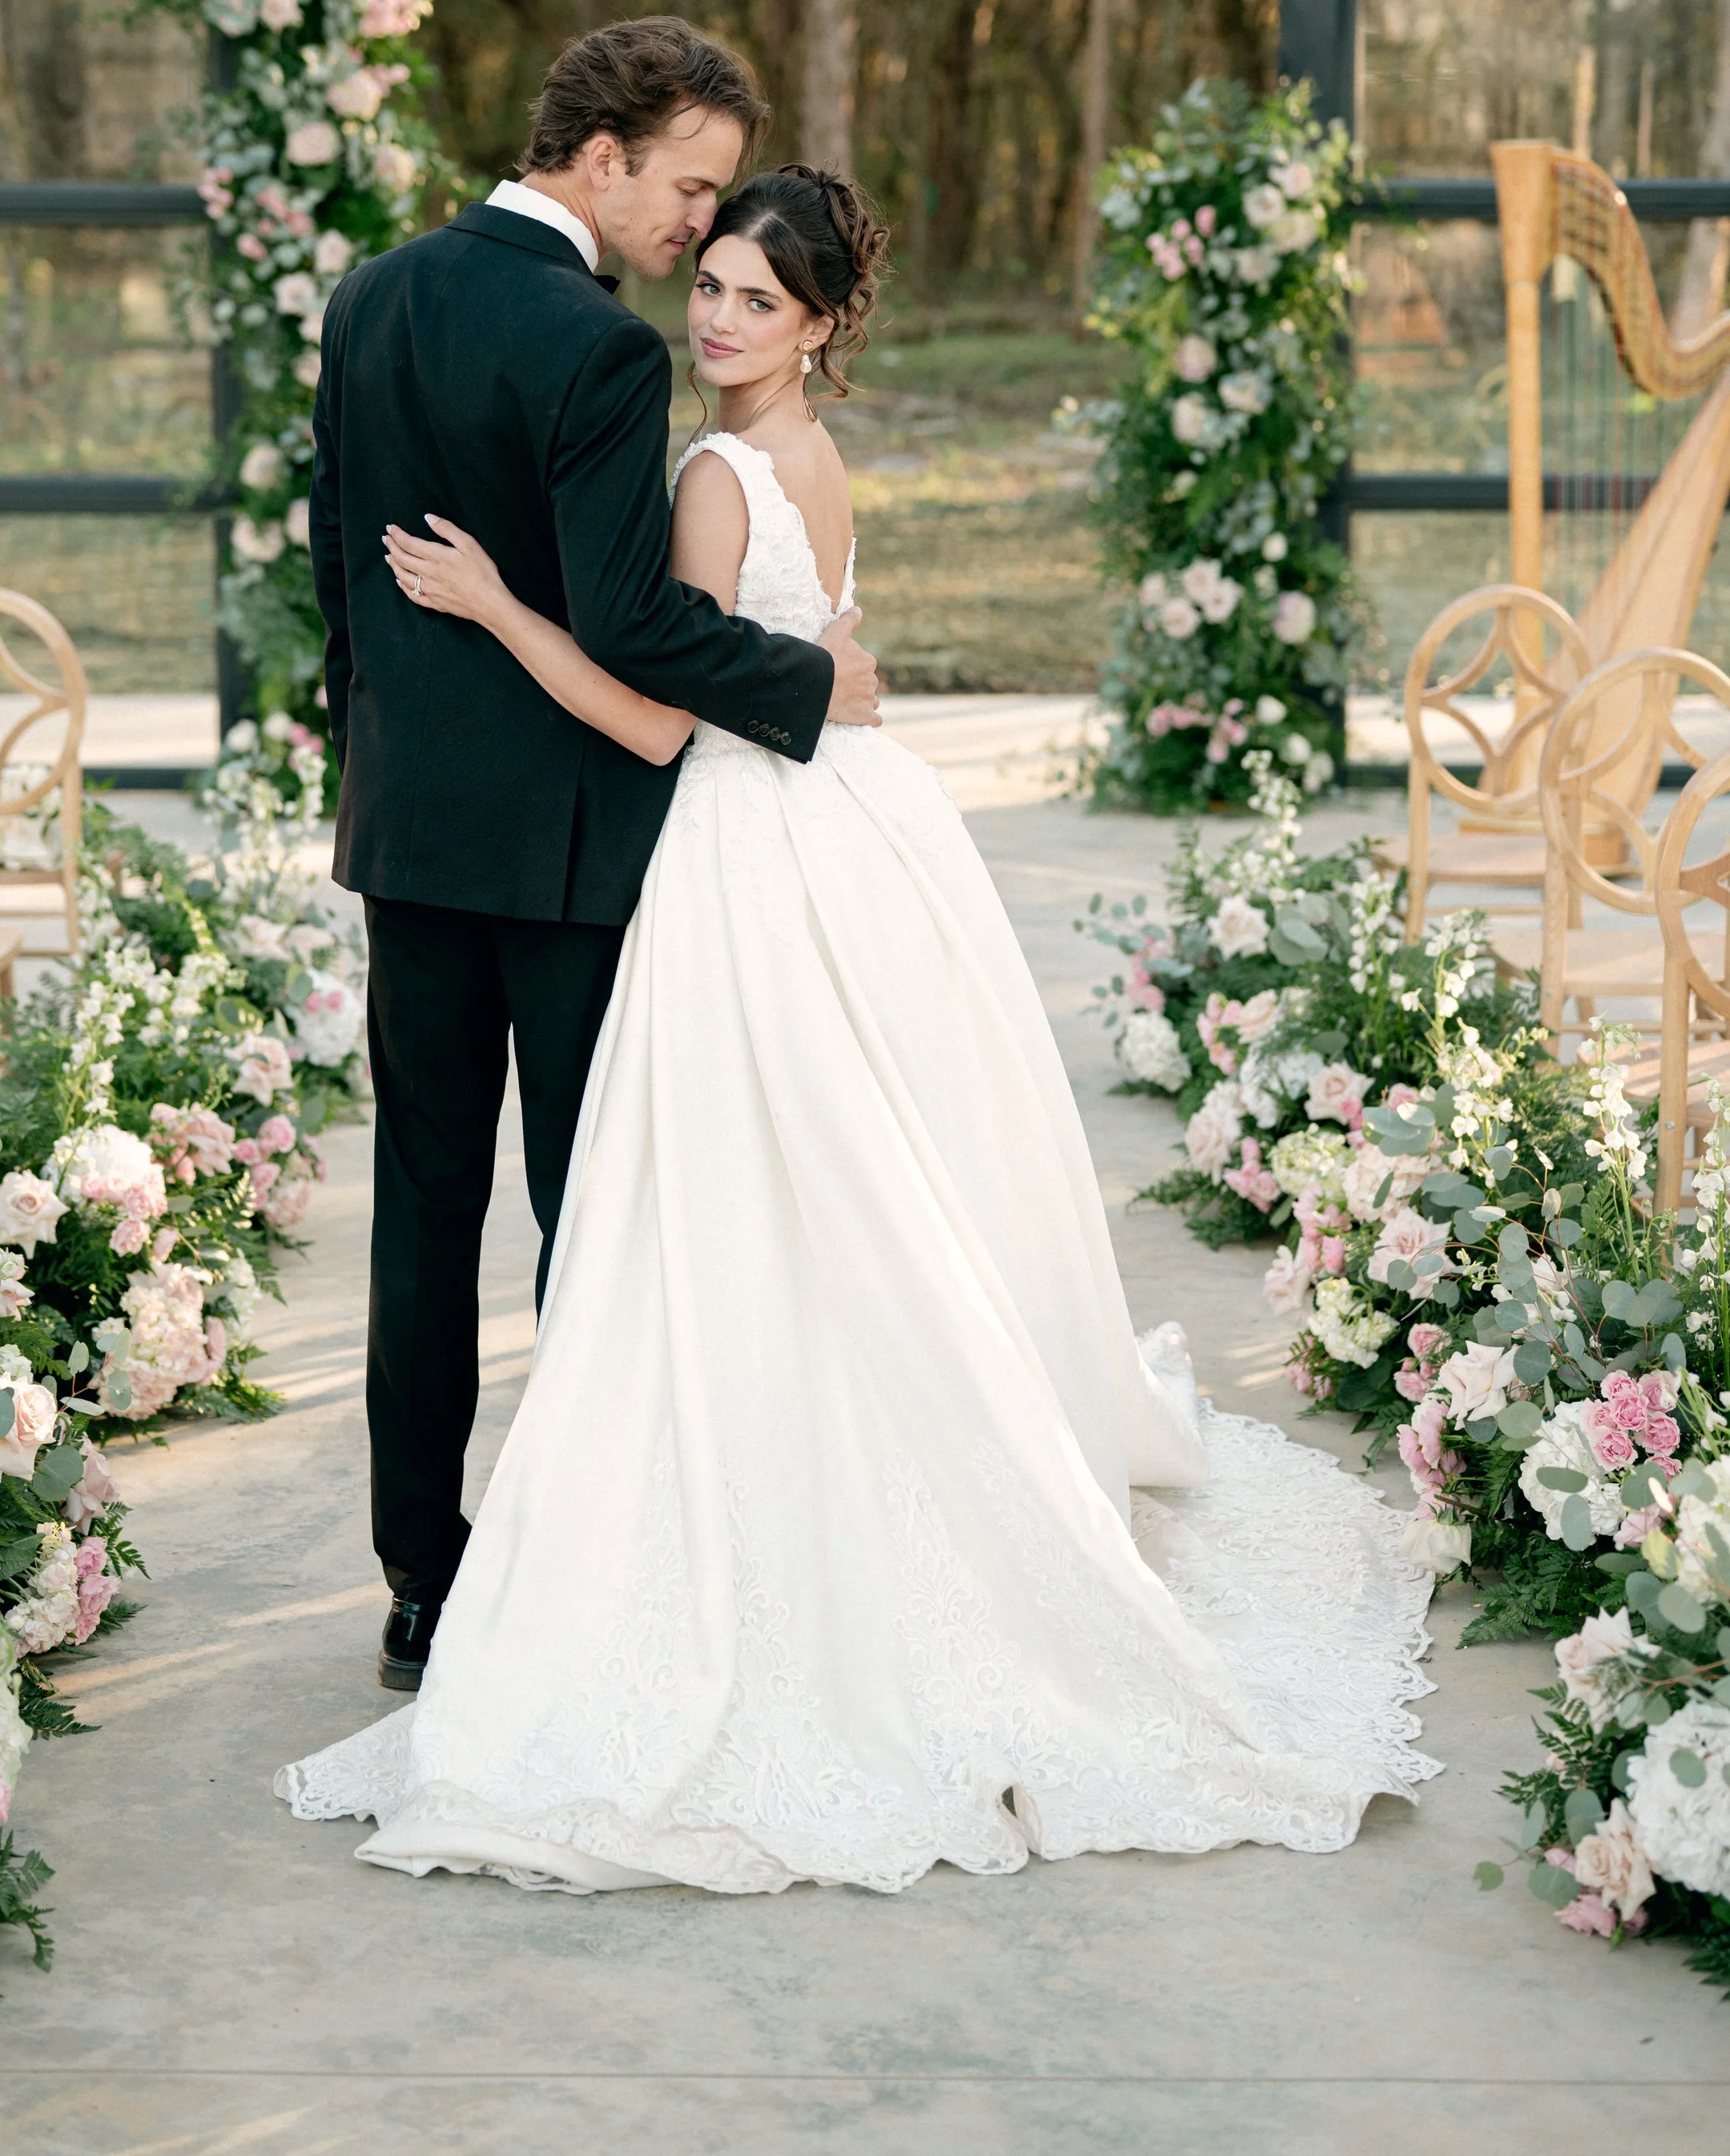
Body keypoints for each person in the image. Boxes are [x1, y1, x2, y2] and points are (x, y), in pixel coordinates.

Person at [280, 165, 1438, 1894]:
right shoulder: (810, 461)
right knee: (837, 1187)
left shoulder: (705, 472)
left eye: (755, 296)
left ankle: (692, 1533)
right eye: (715, 284)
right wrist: (819, 681)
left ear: (820, 325)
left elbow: (655, 714)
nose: (716, 315)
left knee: (715, 1197)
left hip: (746, 846)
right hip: (852, 828)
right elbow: (809, 646)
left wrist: (493, 604)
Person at [308, 23, 883, 1698]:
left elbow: (339, 569)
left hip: (409, 842)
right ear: (602, 151)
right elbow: (630, 624)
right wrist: (808, 685)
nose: (690, 232)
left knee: (421, 1218)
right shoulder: (600, 351)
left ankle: (421, 1587)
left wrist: (382, 763)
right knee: (588, 1215)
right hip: (569, 859)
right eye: (687, 185)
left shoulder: (369, 296)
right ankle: (585, 1565)